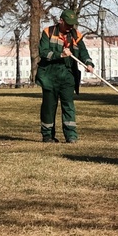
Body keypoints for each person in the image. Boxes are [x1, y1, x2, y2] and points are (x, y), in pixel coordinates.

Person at [35, 9, 94, 143]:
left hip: (68, 75)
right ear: (61, 21)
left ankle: (71, 136)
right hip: (49, 75)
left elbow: (83, 52)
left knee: (68, 105)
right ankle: (48, 135)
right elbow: (43, 52)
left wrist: (89, 64)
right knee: (49, 106)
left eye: (72, 24)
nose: (70, 27)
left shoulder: (76, 35)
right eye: (68, 24)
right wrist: (60, 54)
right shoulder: (48, 32)